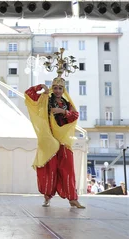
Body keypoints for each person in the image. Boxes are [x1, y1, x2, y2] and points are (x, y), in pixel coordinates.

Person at [25, 74, 85, 208]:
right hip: (49, 139)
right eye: (55, 88)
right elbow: (28, 94)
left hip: (63, 141)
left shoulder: (66, 103)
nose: (57, 90)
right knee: (49, 169)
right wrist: (41, 87)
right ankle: (47, 197)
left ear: (64, 90)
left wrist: (63, 112)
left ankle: (72, 198)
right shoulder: (45, 99)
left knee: (68, 169)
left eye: (60, 88)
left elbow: (75, 115)